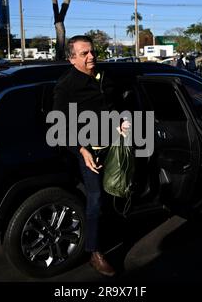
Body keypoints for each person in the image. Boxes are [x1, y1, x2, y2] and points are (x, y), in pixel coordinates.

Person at [52, 35, 130, 277]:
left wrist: (121, 121)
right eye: (84, 53)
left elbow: (115, 105)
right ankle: (94, 252)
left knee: (118, 189)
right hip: (87, 151)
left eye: (92, 52)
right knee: (95, 199)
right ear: (71, 58)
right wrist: (82, 150)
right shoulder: (66, 86)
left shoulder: (104, 77)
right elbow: (58, 126)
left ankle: (120, 222)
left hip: (113, 146)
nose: (91, 56)